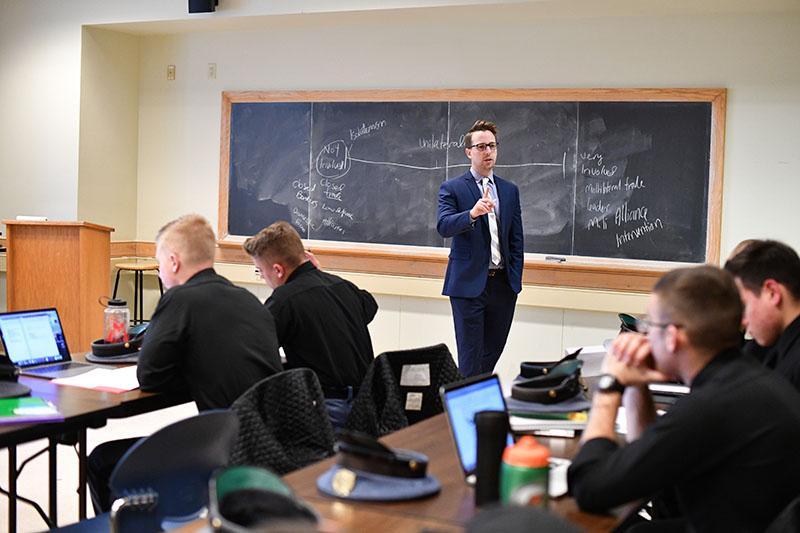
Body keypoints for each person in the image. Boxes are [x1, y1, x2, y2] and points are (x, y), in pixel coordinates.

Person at [568, 265, 800, 531]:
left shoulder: (710, 406)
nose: (643, 336)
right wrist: (636, 385)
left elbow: (589, 488)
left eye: (649, 325)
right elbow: (648, 459)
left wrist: (610, 386)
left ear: (672, 337)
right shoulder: (745, 379)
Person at [88, 214, 282, 512]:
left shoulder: (180, 299)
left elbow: (151, 375)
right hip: (268, 440)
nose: (161, 271)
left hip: (225, 448)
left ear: (174, 262)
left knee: (102, 459)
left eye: (160, 262)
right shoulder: (248, 299)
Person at [243, 221, 378, 430]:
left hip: (327, 409)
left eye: (260, 271)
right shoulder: (342, 286)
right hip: (369, 405)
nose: (263, 278)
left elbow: (254, 347)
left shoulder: (284, 300)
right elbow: (369, 306)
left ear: (278, 270)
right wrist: (319, 274)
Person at [436, 120, 523, 377]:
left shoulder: (509, 191)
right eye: (482, 146)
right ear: (469, 152)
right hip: (468, 286)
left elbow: (516, 239)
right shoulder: (452, 188)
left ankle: (476, 400)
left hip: (502, 285)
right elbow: (443, 225)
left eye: (492, 146)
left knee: (492, 352)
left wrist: (514, 277)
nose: (488, 152)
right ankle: (466, 411)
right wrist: (471, 214)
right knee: (470, 357)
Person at [725, 239, 800, 392]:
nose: (742, 321)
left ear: (772, 292)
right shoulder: (782, 350)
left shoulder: (794, 364)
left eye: (743, 305)